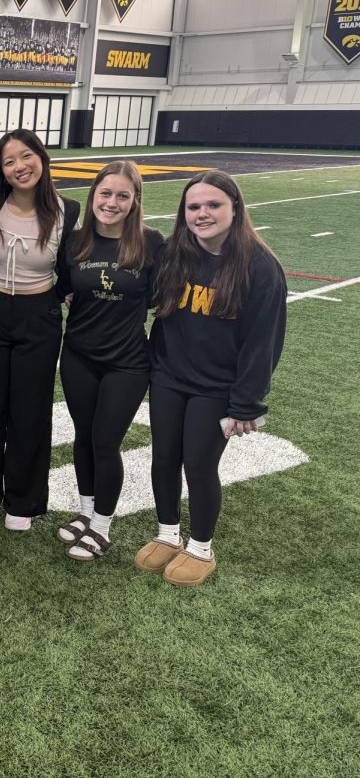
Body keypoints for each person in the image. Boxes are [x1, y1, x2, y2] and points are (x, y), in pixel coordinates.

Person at [136, 170, 286, 586]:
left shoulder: (260, 266)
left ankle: (201, 546)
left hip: (216, 388)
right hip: (168, 376)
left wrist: (246, 403)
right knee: (164, 456)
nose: (203, 213)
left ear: (235, 208)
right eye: (194, 206)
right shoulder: (173, 252)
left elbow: (263, 343)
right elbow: (144, 294)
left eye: (213, 205)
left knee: (199, 464)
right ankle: (168, 533)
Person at [0, 128, 80, 531]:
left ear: (42, 158)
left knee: (30, 411)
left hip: (40, 315)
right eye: (9, 161)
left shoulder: (68, 210)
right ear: (0, 169)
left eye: (26, 156)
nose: (19, 167)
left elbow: (71, 268)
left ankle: (23, 500)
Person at [56, 161, 164, 560]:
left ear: (135, 200)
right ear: (93, 195)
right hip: (78, 356)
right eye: (106, 193)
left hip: (127, 363)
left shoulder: (152, 243)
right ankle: (85, 513)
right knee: (83, 437)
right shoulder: (76, 241)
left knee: (105, 441)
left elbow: (161, 299)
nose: (112, 202)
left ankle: (102, 525)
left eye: (122, 195)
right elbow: (63, 288)